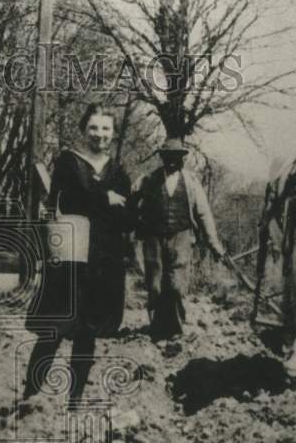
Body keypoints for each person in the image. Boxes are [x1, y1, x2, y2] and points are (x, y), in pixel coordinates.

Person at [22, 103, 135, 404]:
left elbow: (126, 216)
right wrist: (104, 198)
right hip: (70, 260)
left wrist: (106, 205)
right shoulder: (68, 163)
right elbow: (66, 196)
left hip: (102, 263)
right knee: (53, 329)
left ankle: (75, 401)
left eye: (106, 129)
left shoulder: (119, 171)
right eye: (94, 128)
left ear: (114, 133)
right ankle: (29, 395)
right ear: (84, 130)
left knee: (87, 333)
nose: (100, 135)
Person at [131, 138, 227, 345]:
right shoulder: (147, 180)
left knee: (175, 285)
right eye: (168, 157)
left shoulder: (192, 183)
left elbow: (203, 214)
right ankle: (156, 328)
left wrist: (214, 244)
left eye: (177, 157)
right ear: (162, 158)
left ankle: (175, 328)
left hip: (181, 236)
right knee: (155, 285)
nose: (172, 161)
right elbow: (132, 206)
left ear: (182, 158)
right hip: (153, 238)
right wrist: (130, 233)